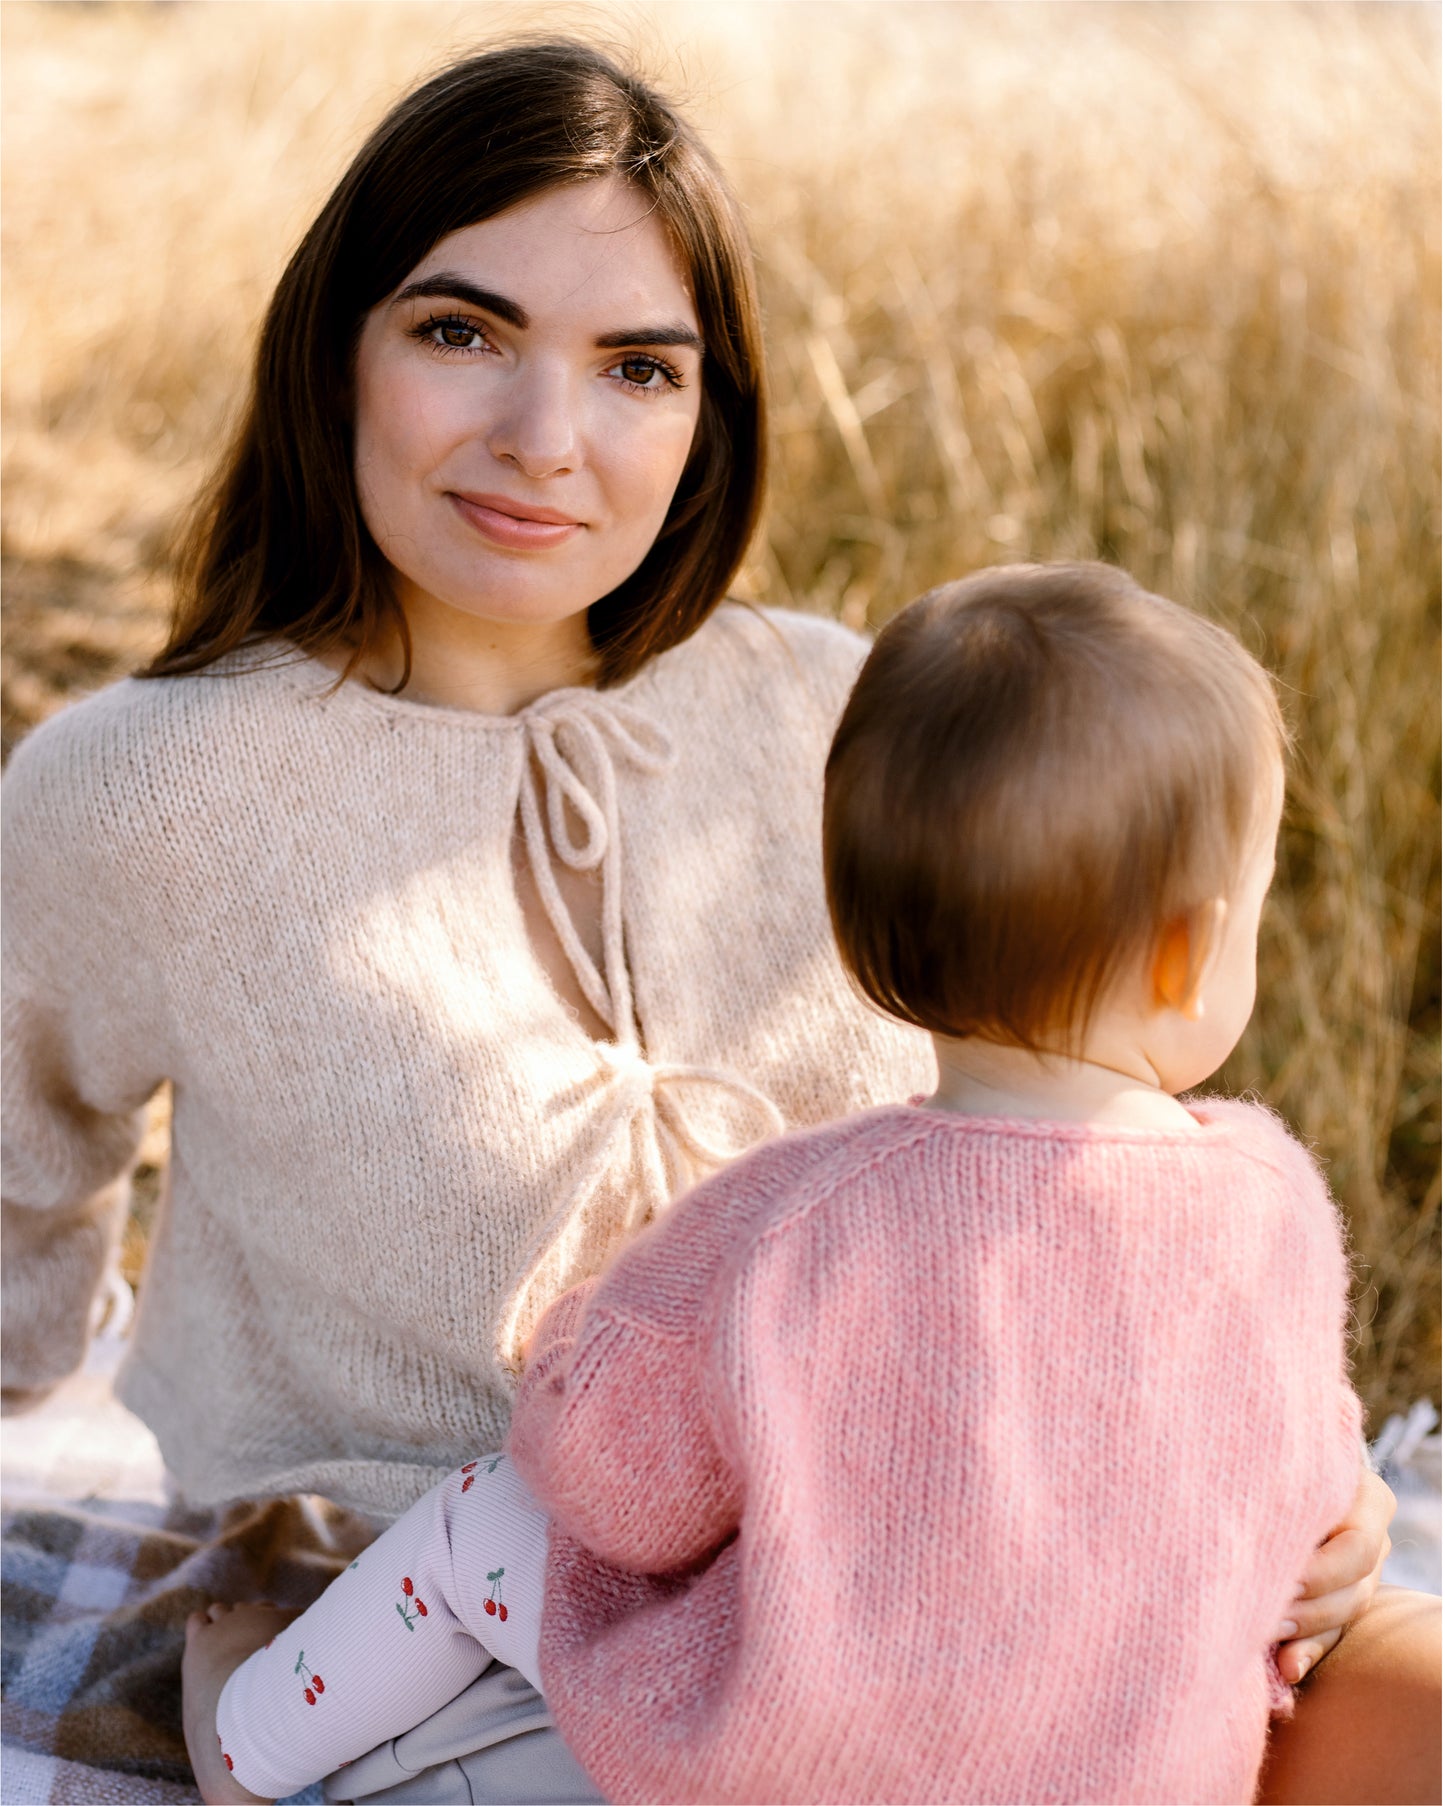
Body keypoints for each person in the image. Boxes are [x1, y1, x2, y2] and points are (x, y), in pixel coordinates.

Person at [0, 41, 1413, 1806]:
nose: (545, 439)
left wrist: (1308, 1497)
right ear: (335, 349)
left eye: (636, 367)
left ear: (708, 413)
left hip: (928, 1579)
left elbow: (1071, 1164)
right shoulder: (145, 791)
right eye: (462, 332)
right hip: (421, 1617)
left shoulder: (844, 707)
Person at [177, 564, 1435, 1806]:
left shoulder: (788, 1213)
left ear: (851, 922)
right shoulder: (1268, 1203)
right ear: (1188, 952)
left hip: (788, 1774)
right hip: (1131, 1781)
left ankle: (249, 1746)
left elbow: (617, 1488)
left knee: (481, 1520)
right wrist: (1345, 1520)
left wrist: (567, 1363)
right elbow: (1311, 1488)